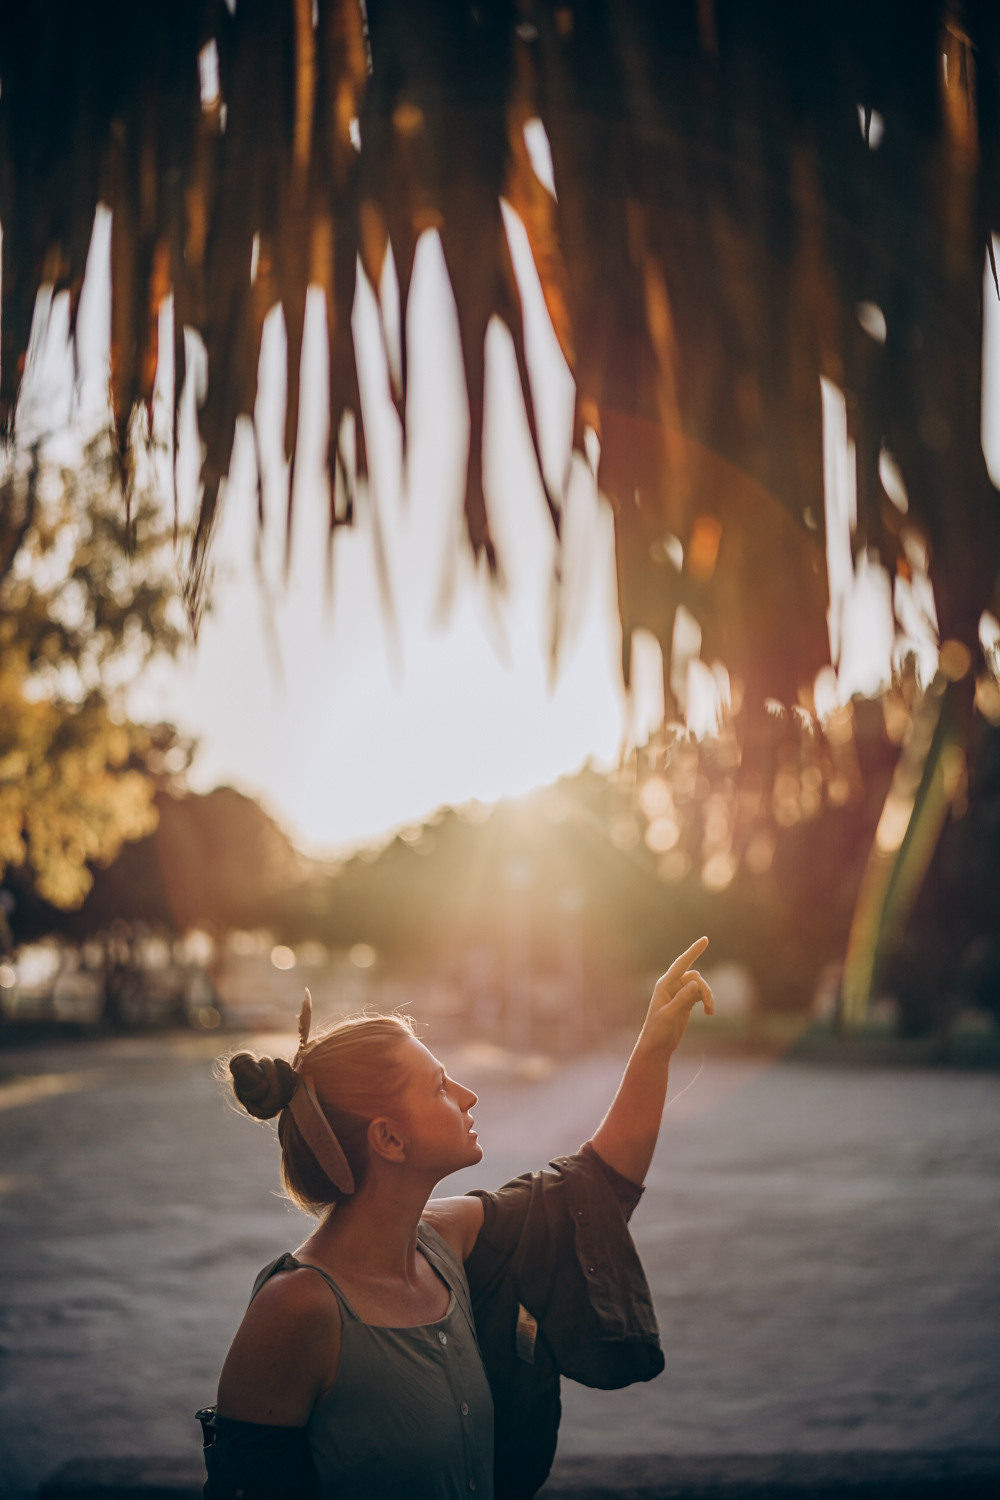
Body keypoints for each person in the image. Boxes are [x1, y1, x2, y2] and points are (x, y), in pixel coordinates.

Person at [200, 937, 714, 1500]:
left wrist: (654, 1048)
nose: (467, 1097)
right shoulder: (295, 1309)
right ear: (389, 1138)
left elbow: (587, 1196)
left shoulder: (445, 1245)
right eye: (440, 1087)